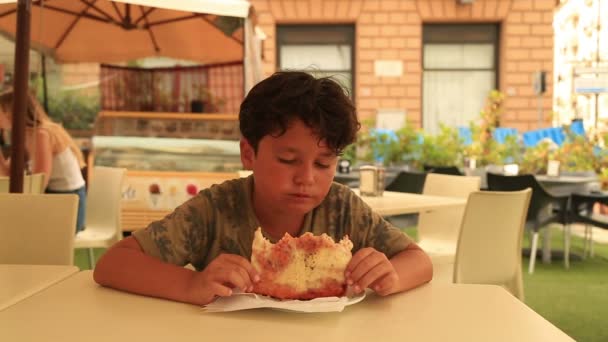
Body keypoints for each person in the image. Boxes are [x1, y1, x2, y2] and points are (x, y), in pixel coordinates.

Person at [93, 71, 432, 305]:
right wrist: (191, 284)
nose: (306, 178)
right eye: (287, 160)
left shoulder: (343, 209)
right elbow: (112, 264)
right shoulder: (214, 210)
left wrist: (392, 276)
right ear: (248, 153)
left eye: (323, 163)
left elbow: (418, 260)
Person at [0, 89, 87, 232]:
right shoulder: (24, 134)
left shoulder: (42, 134)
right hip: (51, 199)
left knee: (13, 227)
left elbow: (40, 182)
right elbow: (9, 175)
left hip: (68, 204)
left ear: (11, 112)